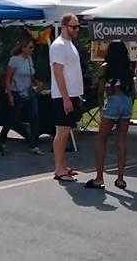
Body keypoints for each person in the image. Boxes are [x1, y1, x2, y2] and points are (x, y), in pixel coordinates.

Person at [85, 41, 135, 190]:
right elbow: (133, 92)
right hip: (126, 102)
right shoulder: (128, 68)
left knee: (101, 140)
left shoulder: (105, 68)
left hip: (112, 100)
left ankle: (99, 177)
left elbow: (100, 91)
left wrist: (101, 107)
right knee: (121, 141)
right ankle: (120, 178)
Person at [50, 13, 84, 183]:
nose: (77, 29)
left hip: (71, 94)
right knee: (62, 131)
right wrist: (65, 98)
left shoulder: (69, 44)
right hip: (63, 95)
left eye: (77, 26)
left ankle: (62, 165)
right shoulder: (59, 46)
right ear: (64, 26)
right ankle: (58, 168)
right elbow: (58, 71)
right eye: (74, 26)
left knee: (65, 131)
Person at [0, 36, 43, 155]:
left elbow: (30, 75)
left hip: (28, 91)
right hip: (16, 92)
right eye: (30, 47)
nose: (32, 49)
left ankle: (34, 145)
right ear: (23, 48)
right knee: (13, 117)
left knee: (35, 117)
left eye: (33, 47)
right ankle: (2, 138)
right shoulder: (14, 60)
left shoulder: (29, 59)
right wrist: (10, 95)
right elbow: (8, 78)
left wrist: (36, 82)